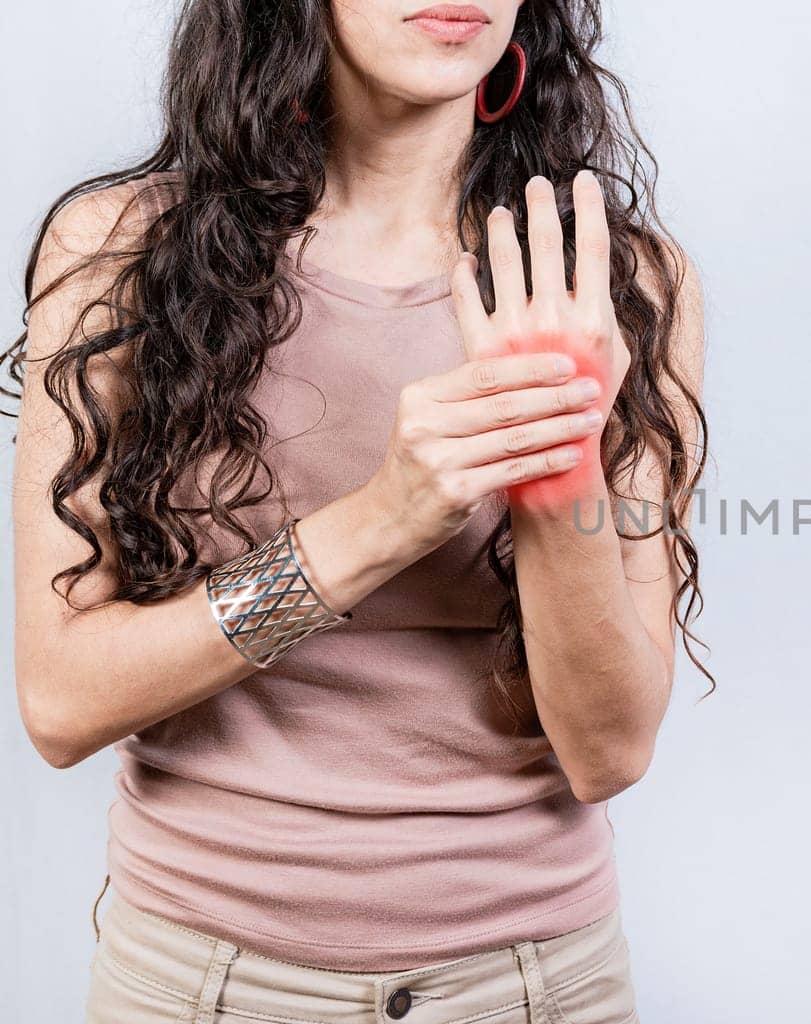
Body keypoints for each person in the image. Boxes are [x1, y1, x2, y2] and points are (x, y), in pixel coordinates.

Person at [4, 1, 709, 1020]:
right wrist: (376, 524)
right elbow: (63, 705)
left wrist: (556, 469)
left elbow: (608, 752)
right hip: (201, 982)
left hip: (532, 984)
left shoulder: (620, 288)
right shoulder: (124, 253)